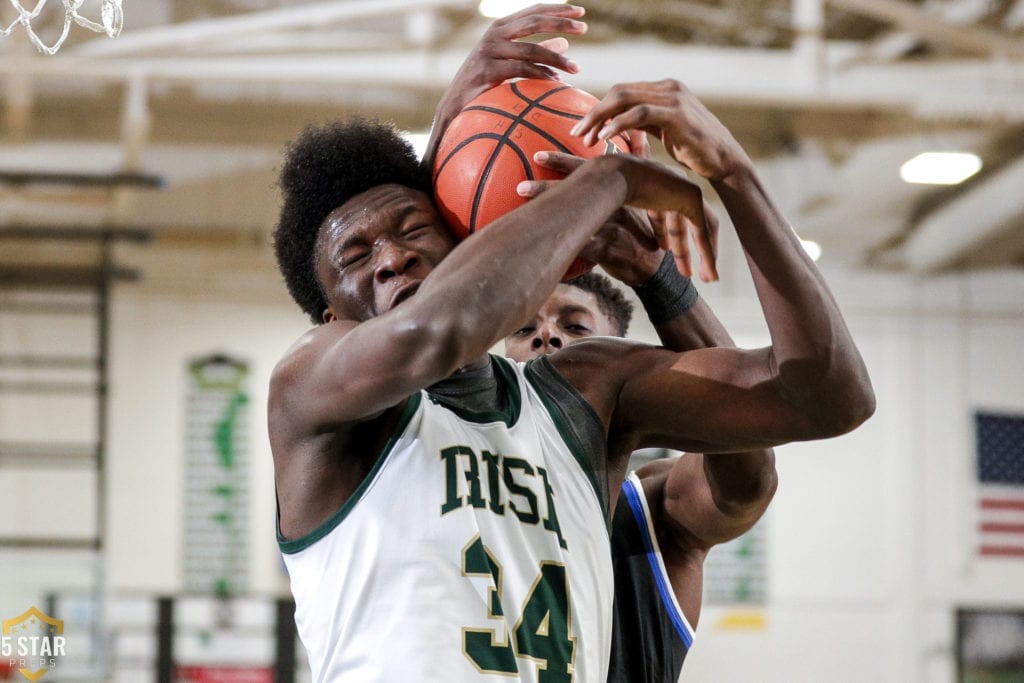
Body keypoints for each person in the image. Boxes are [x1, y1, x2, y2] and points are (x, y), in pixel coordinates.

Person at [268, 8, 874, 683]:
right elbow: (435, 330)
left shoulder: (583, 390)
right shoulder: (308, 389)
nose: (391, 259)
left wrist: (734, 174)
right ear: (329, 316)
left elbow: (826, 396)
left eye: (412, 226)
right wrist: (606, 177)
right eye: (356, 255)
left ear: (461, 233)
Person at [505, 242, 777, 681]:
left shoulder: (654, 506)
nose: (547, 335)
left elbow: (748, 475)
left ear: (622, 357)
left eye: (575, 326)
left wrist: (661, 282)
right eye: (522, 328)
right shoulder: (461, 484)